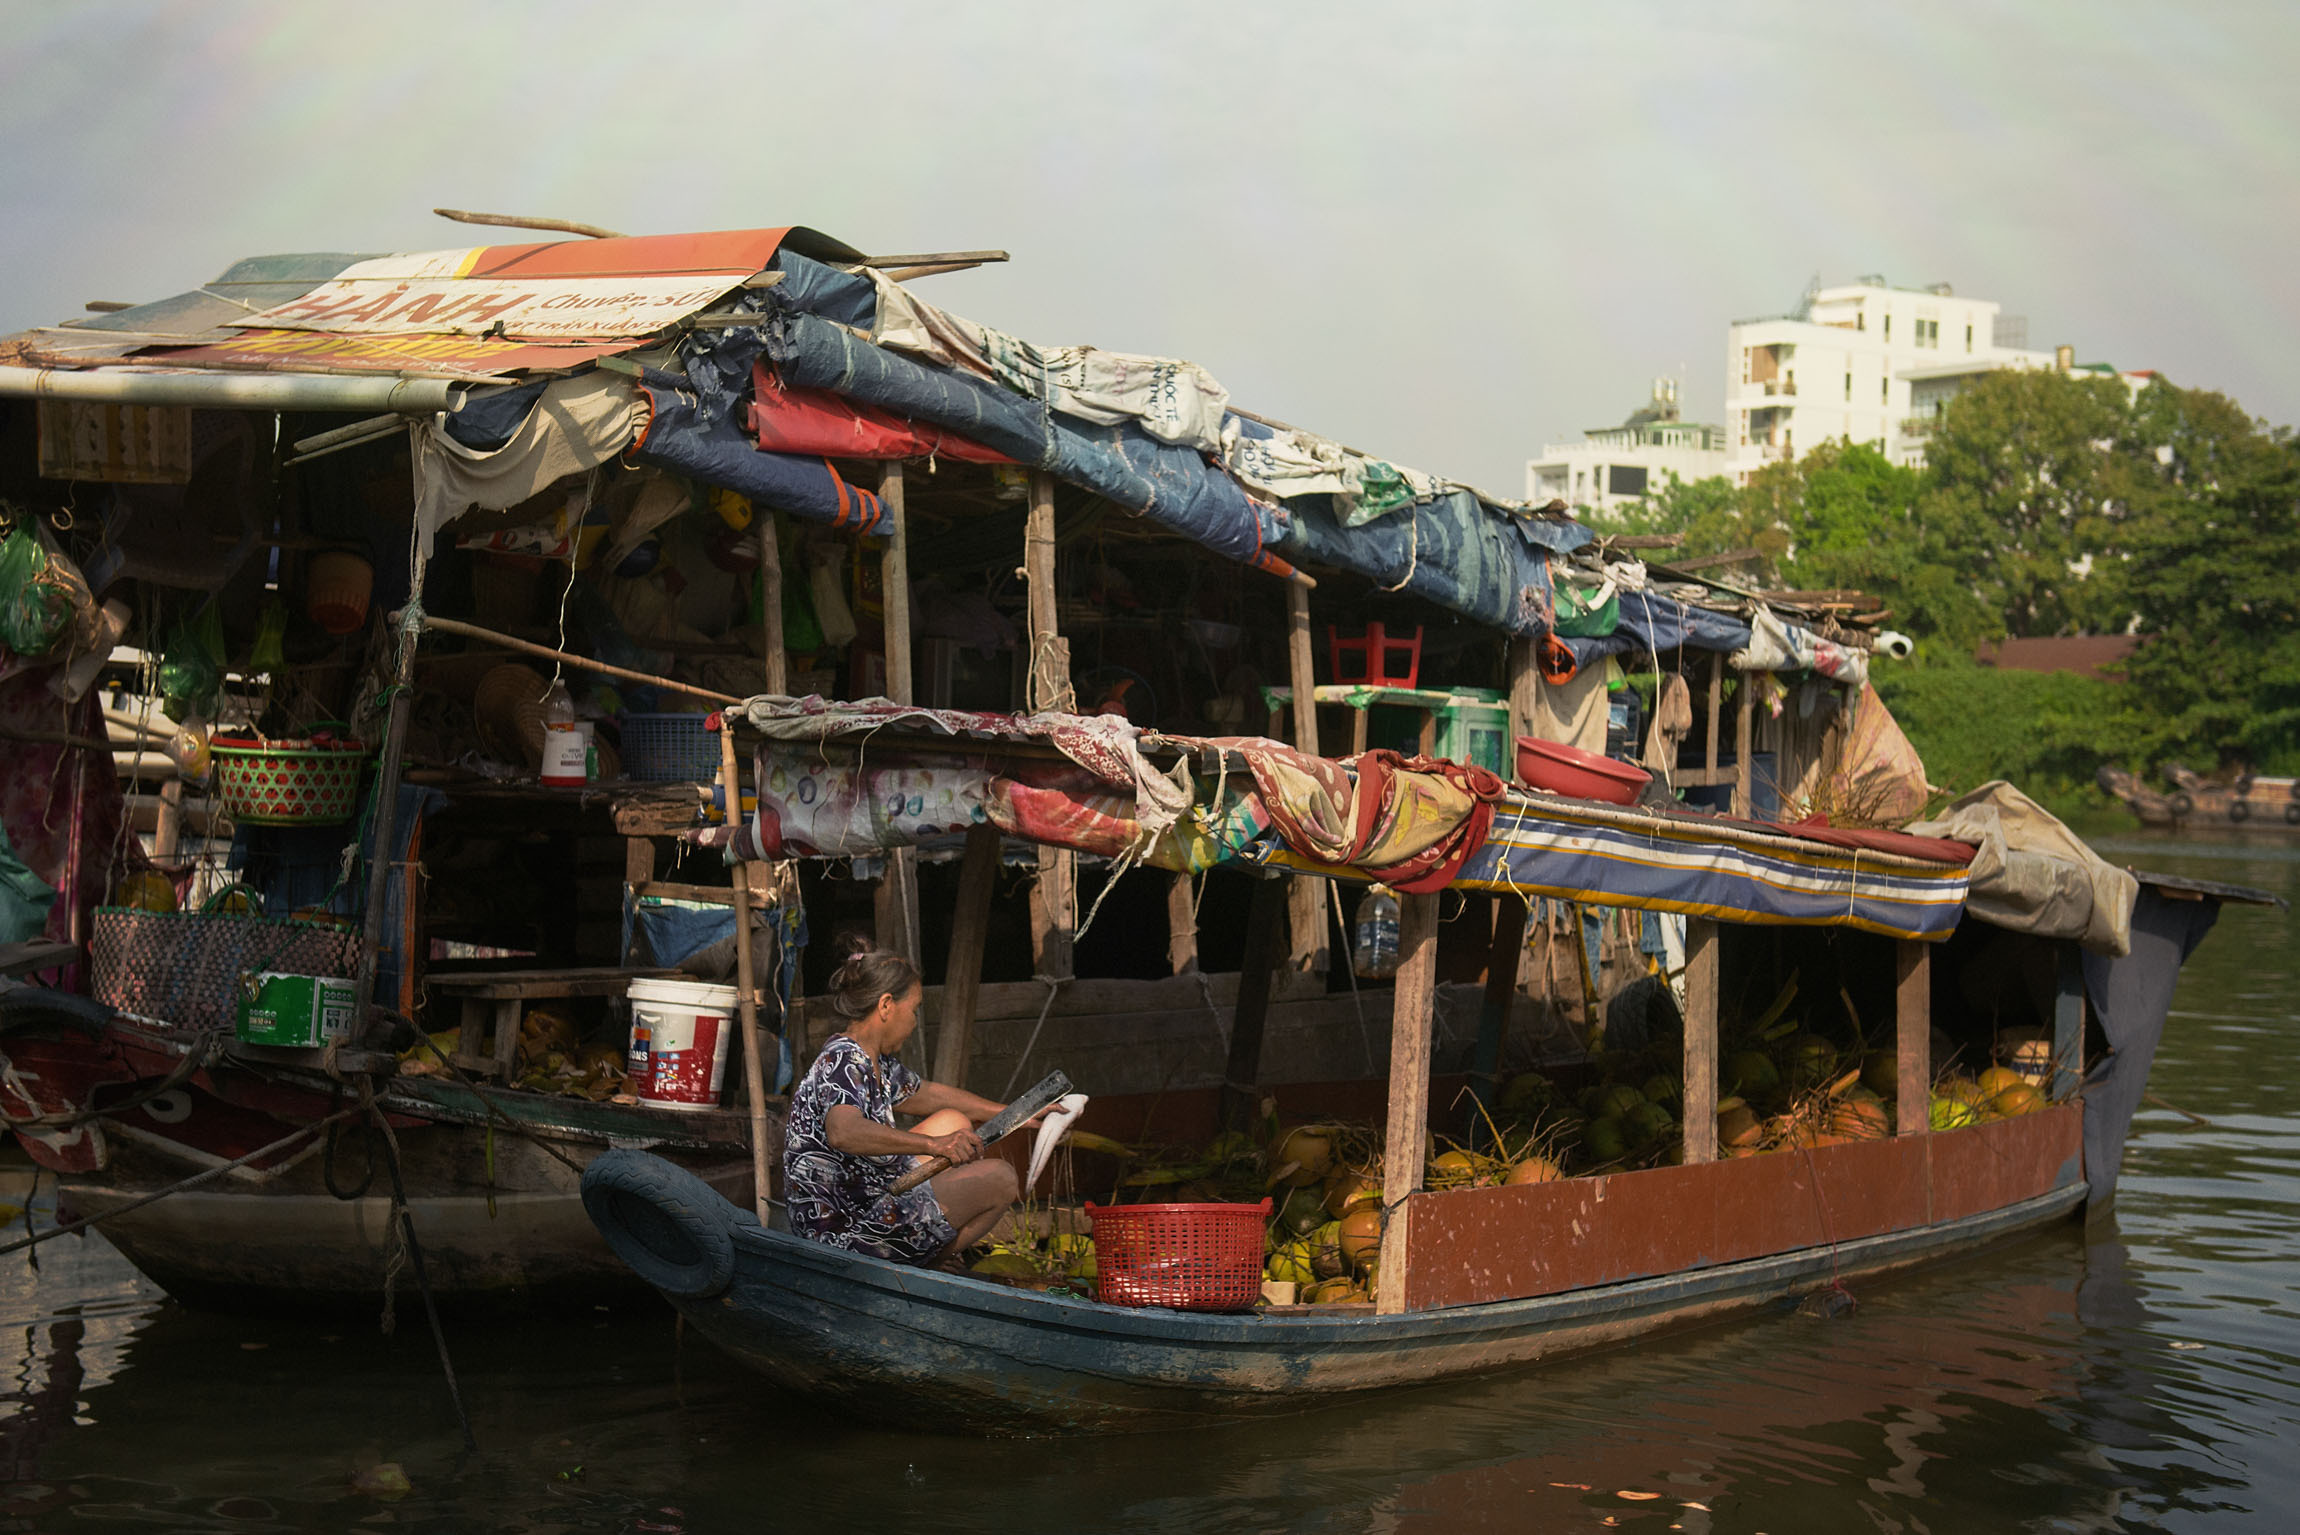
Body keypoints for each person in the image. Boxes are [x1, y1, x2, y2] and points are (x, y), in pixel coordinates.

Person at [782, 945, 1022, 1267]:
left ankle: (924, 1253)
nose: (914, 1023)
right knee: (1002, 1179)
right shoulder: (842, 1061)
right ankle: (929, 1262)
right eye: (914, 1010)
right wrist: (933, 1144)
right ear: (886, 1005)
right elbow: (843, 1131)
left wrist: (1015, 1112)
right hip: (844, 1232)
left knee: (953, 1120)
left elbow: (932, 1095)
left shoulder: (875, 1061)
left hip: (870, 1196)